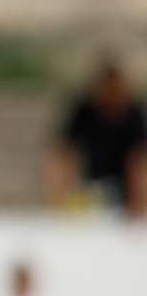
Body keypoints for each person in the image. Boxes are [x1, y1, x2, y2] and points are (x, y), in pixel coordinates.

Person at [45, 58, 146, 219]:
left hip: (124, 191)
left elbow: (137, 159)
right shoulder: (85, 112)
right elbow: (65, 152)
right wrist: (61, 195)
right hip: (90, 188)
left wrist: (137, 199)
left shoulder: (134, 115)